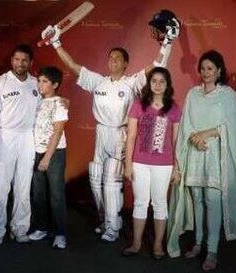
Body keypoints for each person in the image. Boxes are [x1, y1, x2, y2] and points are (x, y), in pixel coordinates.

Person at [40, 11, 180, 242]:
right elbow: (74, 66)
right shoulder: (99, 82)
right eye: (110, 58)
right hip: (101, 133)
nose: (113, 60)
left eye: (117, 58)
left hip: (120, 135)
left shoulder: (132, 82)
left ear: (125, 63)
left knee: (111, 183)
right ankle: (107, 220)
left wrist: (167, 44)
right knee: (95, 179)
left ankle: (113, 229)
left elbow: (157, 67)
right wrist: (56, 43)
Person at [166, 50, 236, 271]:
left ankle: (212, 251)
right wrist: (195, 138)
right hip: (195, 153)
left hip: (216, 157)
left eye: (210, 68)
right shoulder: (193, 94)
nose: (206, 72)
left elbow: (232, 127)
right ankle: (198, 243)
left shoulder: (228, 95)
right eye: (203, 68)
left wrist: (206, 134)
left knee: (212, 200)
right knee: (197, 199)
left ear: (219, 71)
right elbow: (186, 124)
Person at [0, 44, 40, 245]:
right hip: (4, 136)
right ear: (11, 61)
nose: (20, 63)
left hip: (28, 138)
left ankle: (20, 228)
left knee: (23, 188)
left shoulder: (36, 83)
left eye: (24, 60)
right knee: (0, 187)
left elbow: (48, 105)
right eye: (17, 59)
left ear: (30, 63)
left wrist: (62, 102)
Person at [121, 67, 181, 260]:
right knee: (140, 202)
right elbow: (130, 137)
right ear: (149, 83)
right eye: (154, 81)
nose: (157, 84)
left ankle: (157, 245)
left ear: (167, 85)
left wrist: (177, 168)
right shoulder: (138, 105)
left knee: (160, 203)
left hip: (164, 165)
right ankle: (136, 243)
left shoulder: (174, 108)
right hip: (139, 163)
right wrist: (128, 165)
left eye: (161, 81)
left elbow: (176, 141)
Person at [28, 66, 68, 249]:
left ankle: (60, 233)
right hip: (37, 152)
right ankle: (41, 228)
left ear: (55, 84)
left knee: (56, 195)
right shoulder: (38, 101)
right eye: (40, 80)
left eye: (45, 81)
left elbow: (58, 131)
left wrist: (46, 158)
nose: (40, 84)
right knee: (38, 193)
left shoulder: (59, 103)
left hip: (54, 154)